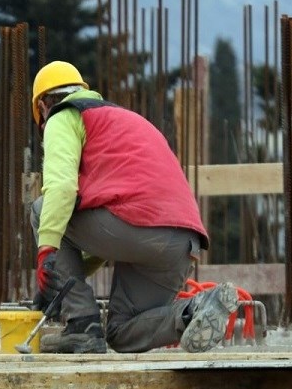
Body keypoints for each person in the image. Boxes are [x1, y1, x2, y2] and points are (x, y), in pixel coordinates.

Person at [29, 60, 238, 354]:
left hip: (136, 225)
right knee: (122, 331)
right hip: (182, 241)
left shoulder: (64, 116)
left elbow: (62, 190)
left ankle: (81, 326)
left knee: (43, 209)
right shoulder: (124, 119)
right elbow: (107, 232)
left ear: (41, 106)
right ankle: (193, 311)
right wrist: (62, 281)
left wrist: (47, 254)